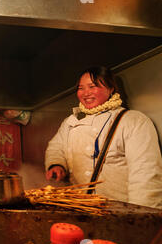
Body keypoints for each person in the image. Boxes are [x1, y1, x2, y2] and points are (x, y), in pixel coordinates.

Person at [45, 66, 162, 209]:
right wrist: (56, 164)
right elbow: (56, 147)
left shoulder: (133, 121)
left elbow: (145, 173)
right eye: (81, 88)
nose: (85, 93)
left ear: (111, 88)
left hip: (119, 212)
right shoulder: (71, 122)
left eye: (92, 86)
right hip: (79, 208)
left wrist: (140, 215)